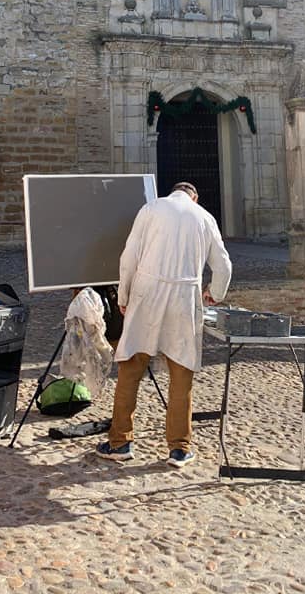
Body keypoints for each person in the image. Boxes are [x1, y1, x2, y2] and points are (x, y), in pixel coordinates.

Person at [96, 181, 232, 468]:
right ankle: (180, 448)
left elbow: (129, 257)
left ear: (173, 192)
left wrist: (123, 295)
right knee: (182, 373)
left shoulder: (151, 208)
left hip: (148, 292)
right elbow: (223, 265)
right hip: (184, 297)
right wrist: (214, 293)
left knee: (131, 366)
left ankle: (120, 442)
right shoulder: (204, 217)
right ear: (194, 197)